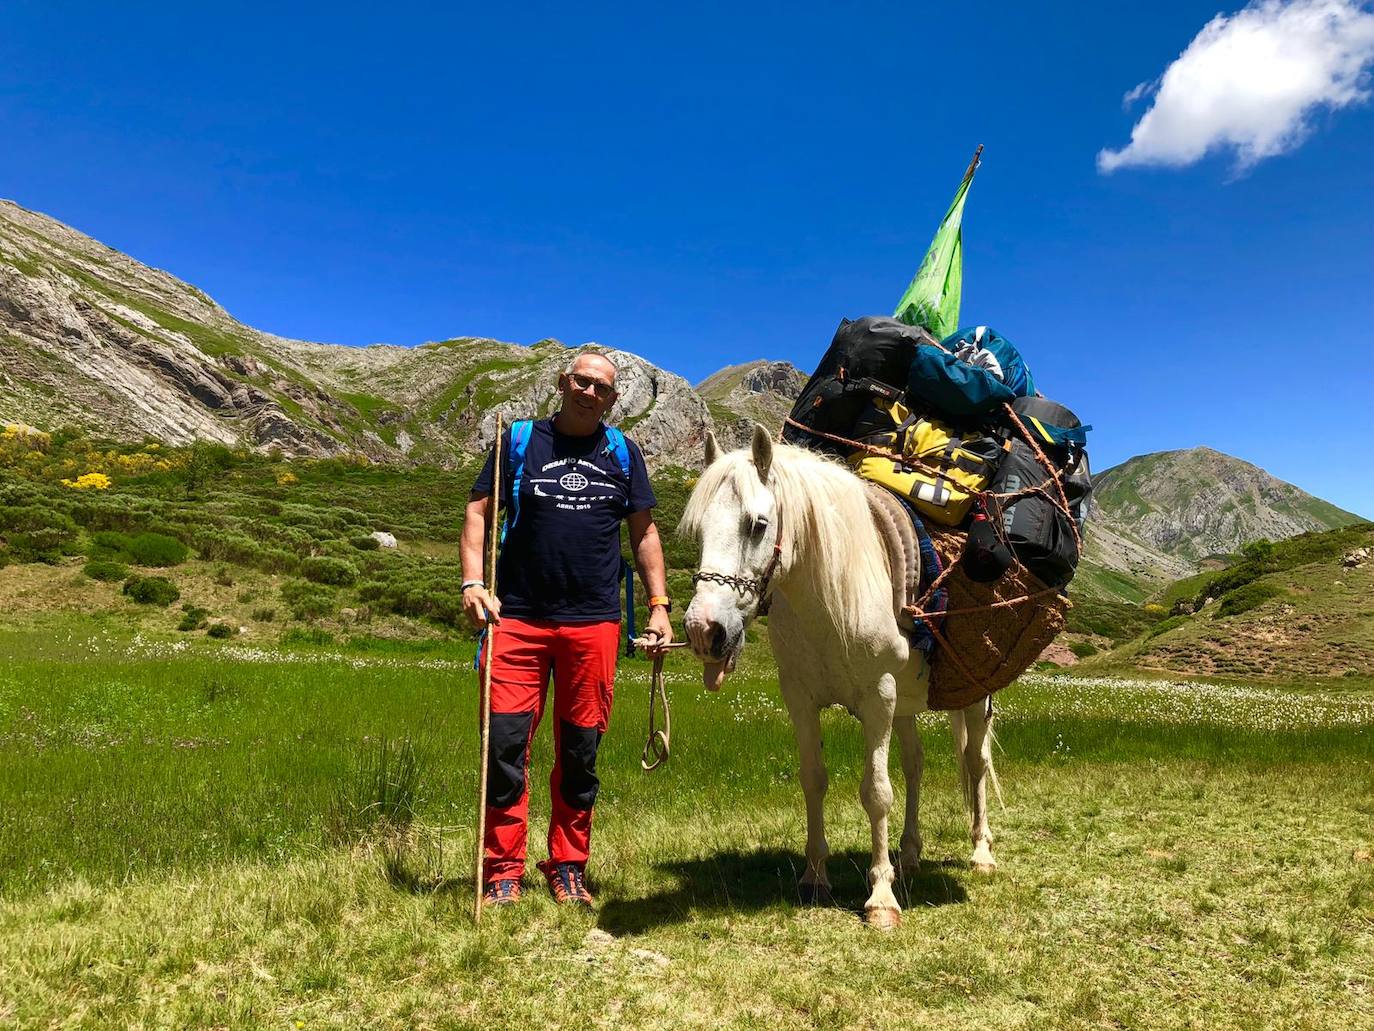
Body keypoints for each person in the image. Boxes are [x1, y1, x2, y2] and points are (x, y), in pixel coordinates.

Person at [461, 352, 672, 909]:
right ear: (562, 383)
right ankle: (502, 870)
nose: (589, 392)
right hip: (516, 619)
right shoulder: (518, 441)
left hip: (594, 623)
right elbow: (479, 510)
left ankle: (568, 865)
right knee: (505, 746)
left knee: (581, 751)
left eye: (602, 387)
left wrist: (659, 605)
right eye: (581, 381)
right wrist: (472, 582)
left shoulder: (623, 453)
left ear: (613, 399)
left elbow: (644, 532)